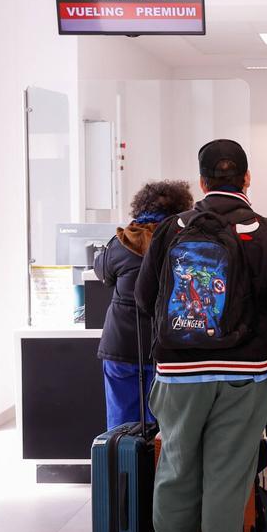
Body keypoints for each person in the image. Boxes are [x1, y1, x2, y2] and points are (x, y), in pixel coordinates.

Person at [135, 139, 267, 532]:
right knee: (228, 474)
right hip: (246, 373)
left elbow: (144, 297)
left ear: (202, 182)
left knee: (175, 466)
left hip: (178, 372)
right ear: (247, 179)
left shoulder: (172, 229)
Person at [93, 180, 193, 429]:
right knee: (163, 425)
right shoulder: (184, 243)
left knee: (120, 426)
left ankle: (121, 466)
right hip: (166, 346)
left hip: (120, 345)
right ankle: (158, 468)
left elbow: (103, 273)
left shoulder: (120, 242)